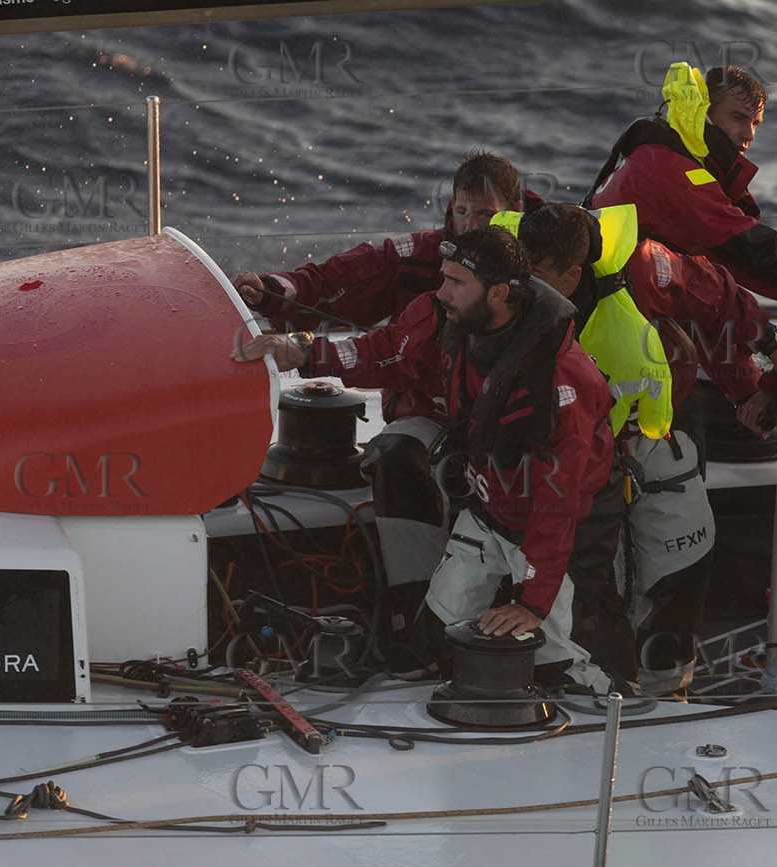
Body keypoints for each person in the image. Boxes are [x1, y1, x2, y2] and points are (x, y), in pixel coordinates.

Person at [236, 228, 616, 692]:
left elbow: (558, 504)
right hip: (490, 511)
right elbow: (385, 350)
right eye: (443, 278)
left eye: (455, 282)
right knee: (435, 640)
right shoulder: (451, 323)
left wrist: (533, 603)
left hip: (560, 531)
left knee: (555, 662)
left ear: (499, 293)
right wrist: (303, 351)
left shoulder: (560, 383)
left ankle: (610, 710)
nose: (441, 293)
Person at [229, 151, 531, 640]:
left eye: (485, 213)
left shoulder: (545, 267)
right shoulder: (425, 260)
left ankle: (515, 620)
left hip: (511, 433)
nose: (470, 224)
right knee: (396, 456)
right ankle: (412, 612)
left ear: (515, 211)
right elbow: (358, 284)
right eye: (462, 211)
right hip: (435, 420)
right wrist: (275, 292)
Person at [509, 202, 777, 693]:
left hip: (654, 429)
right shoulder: (499, 274)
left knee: (683, 554)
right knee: (589, 580)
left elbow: (718, 295)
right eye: (522, 275)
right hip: (566, 449)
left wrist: (769, 359)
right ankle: (603, 691)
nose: (527, 288)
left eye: (540, 276)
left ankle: (669, 688)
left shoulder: (646, 266)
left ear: (573, 273)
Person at [586, 62, 777, 321]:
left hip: (621, 302)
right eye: (738, 117)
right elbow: (754, 252)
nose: (749, 134)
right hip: (616, 317)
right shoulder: (674, 171)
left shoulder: (658, 151)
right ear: (704, 113)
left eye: (755, 123)